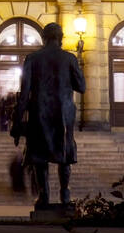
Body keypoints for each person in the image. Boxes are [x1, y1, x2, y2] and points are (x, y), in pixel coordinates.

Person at [11, 22, 86, 208]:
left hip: (40, 113)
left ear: (44, 38)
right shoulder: (69, 58)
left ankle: (44, 197)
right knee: (64, 155)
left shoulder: (32, 58)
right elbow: (82, 87)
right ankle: (65, 194)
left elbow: (24, 92)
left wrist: (17, 120)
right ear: (61, 38)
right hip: (63, 113)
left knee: (39, 157)